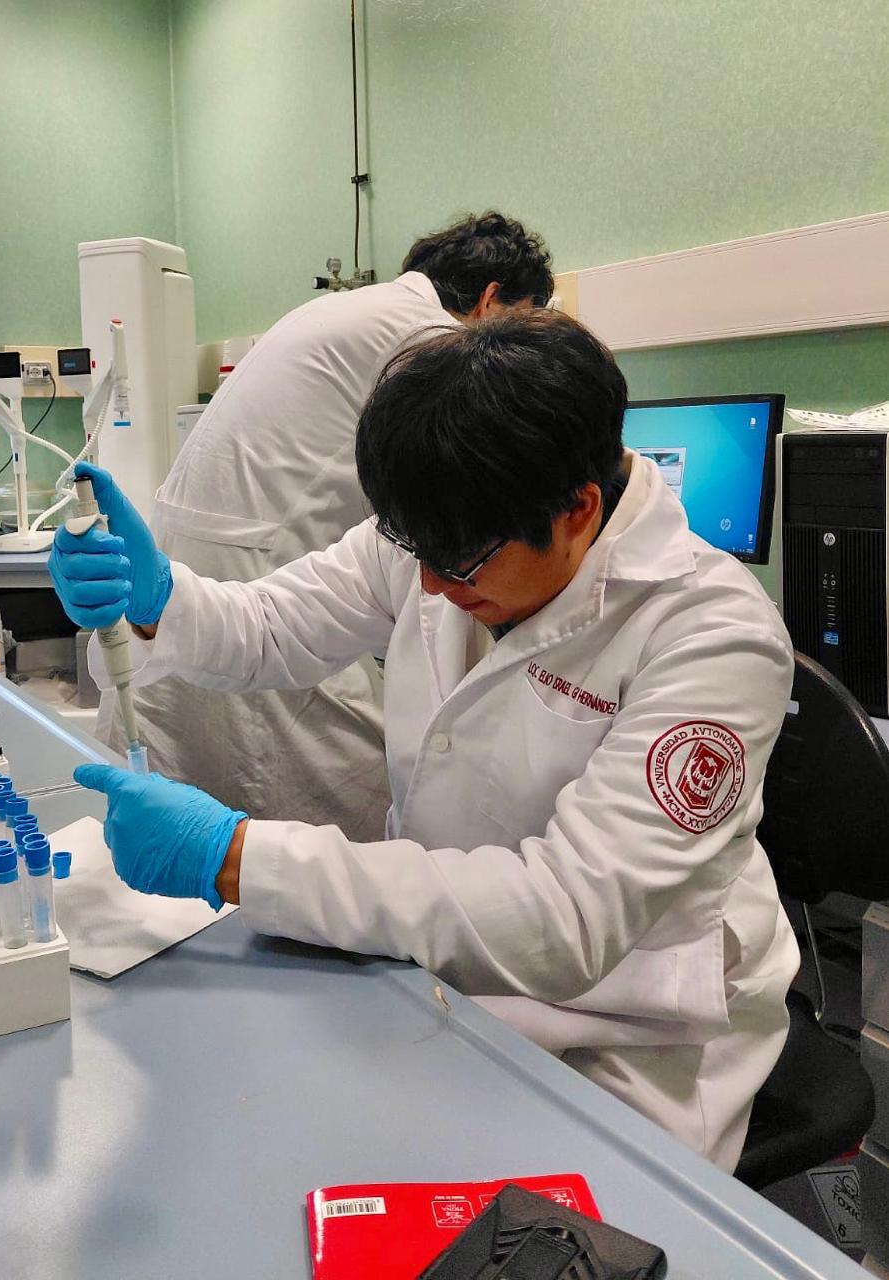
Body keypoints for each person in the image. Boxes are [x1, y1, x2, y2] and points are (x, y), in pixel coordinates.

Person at [49, 309, 798, 1170]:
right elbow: (273, 626)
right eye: (417, 555)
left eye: (460, 564)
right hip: (441, 965)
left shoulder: (712, 636)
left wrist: (237, 857)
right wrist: (159, 600)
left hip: (629, 1024)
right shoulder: (454, 523)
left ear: (577, 511)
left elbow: (565, 916)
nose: (432, 588)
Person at [95, 212, 555, 841]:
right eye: (523, 323)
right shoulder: (439, 342)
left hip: (226, 556)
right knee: (341, 798)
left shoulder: (352, 311)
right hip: (264, 564)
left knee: (224, 785)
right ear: (490, 299)